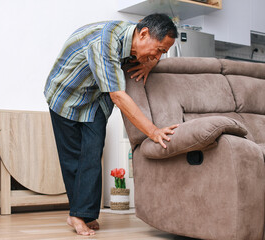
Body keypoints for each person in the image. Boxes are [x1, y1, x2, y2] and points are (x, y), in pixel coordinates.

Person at [44, 13, 179, 236]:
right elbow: (118, 95)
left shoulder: (138, 38)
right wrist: (153, 131)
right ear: (144, 33)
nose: (158, 55)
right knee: (73, 158)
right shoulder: (104, 43)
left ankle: (84, 213)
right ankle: (77, 215)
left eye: (163, 52)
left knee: (92, 151)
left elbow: (152, 53)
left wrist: (149, 65)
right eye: (159, 50)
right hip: (65, 96)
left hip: (94, 98)